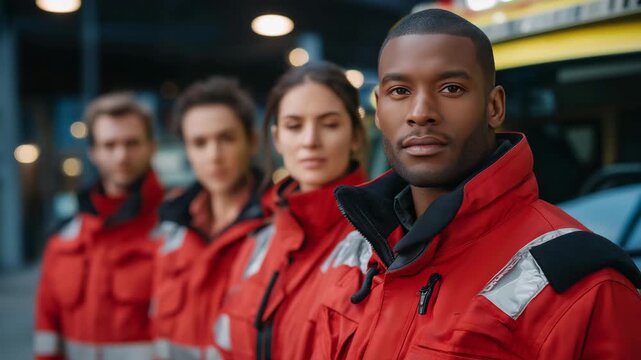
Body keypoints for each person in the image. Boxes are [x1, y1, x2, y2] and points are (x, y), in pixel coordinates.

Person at [307, 9, 641, 359]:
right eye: (400, 90)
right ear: (379, 109)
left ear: (494, 107)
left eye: (451, 88)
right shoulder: (354, 258)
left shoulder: (588, 287)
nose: (420, 111)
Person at [211, 61, 367, 359]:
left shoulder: (382, 241)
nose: (310, 141)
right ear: (277, 139)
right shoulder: (258, 243)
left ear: (356, 136)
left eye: (330, 124)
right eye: (294, 126)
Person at [34, 93, 163, 360]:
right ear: (93, 152)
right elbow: (47, 334)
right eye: (109, 144)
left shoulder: (176, 233)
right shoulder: (64, 238)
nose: (121, 155)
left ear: (152, 146)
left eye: (132, 143)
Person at [151, 76, 266, 359]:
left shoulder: (278, 228)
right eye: (200, 143)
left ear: (251, 142)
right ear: (187, 150)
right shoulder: (170, 231)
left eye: (226, 138)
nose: (214, 155)